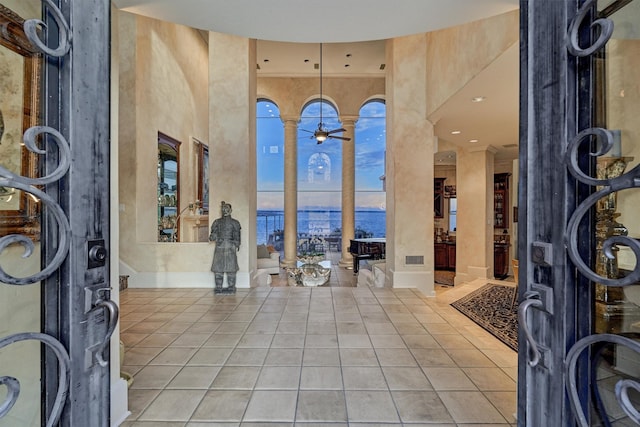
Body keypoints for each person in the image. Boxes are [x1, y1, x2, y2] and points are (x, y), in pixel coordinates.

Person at [209, 201, 241, 293]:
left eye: (227, 208)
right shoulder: (217, 222)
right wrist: (213, 237)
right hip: (219, 247)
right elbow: (213, 234)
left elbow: (237, 236)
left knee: (231, 269)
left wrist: (236, 244)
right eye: (223, 208)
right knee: (218, 269)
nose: (224, 210)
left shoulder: (235, 223)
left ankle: (231, 287)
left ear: (231, 210)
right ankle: (218, 287)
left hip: (230, 248)